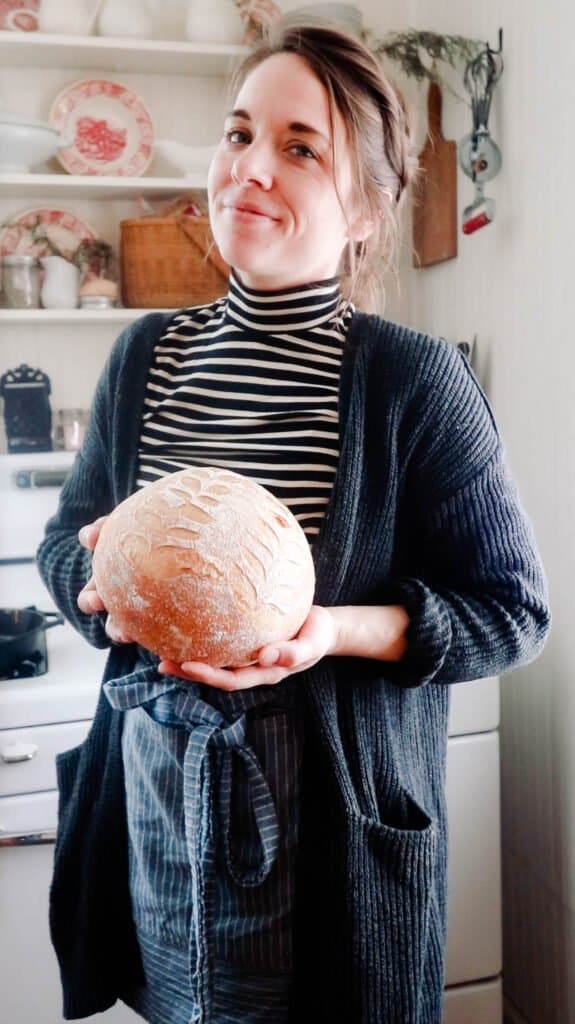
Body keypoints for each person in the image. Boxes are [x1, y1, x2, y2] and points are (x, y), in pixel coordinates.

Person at [37, 20, 550, 1024]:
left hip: (331, 829)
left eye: (298, 146)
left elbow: (511, 611)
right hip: (159, 801)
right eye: (237, 135)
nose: (248, 168)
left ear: (365, 208)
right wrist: (104, 596)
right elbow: (66, 541)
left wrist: (332, 629)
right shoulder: (145, 356)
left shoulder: (412, 381)